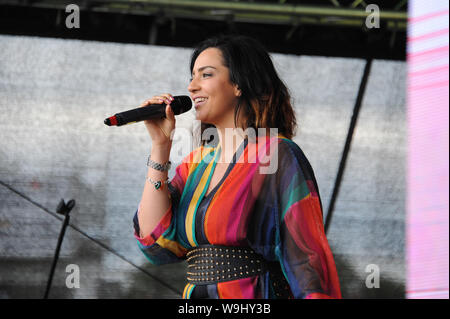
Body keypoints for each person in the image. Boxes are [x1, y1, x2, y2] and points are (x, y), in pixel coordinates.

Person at [133, 35, 342, 299]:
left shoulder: (276, 155)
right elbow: (156, 242)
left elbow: (307, 258)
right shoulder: (196, 164)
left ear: (239, 85)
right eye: (192, 76)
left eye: (205, 75)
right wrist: (160, 146)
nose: (191, 86)